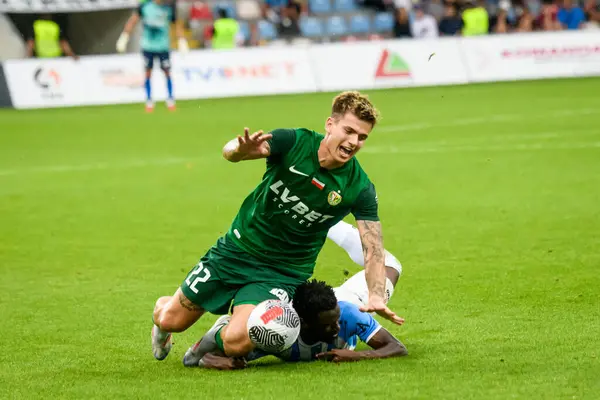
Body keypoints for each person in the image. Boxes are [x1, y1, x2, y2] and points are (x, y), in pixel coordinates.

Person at [150, 91, 403, 364]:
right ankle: (162, 323)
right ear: (330, 124)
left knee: (237, 343)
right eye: (349, 131)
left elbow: (373, 246)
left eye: (362, 137)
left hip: (282, 273)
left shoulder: (359, 187)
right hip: (236, 251)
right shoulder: (293, 142)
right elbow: (230, 150)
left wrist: (376, 295)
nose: (354, 142)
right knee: (171, 319)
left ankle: (217, 335)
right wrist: (239, 151)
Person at [184, 279, 408, 369]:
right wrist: (215, 362)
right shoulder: (279, 334)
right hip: (294, 308)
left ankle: (335, 227)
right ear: (305, 324)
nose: (337, 328)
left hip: (353, 296)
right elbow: (210, 357)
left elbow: (397, 347)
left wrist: (357, 355)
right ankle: (229, 324)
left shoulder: (348, 314)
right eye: (329, 326)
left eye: (337, 321)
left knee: (392, 264)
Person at [116, 0, 189, 112]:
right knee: (148, 73)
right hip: (148, 46)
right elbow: (133, 21)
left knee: (167, 72)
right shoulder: (145, 6)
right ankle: (149, 101)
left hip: (163, 47)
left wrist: (182, 40)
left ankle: (170, 100)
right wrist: (124, 36)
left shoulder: (169, 7)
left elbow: (177, 25)